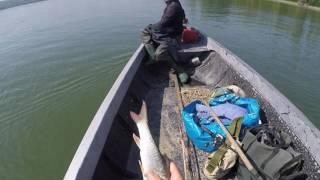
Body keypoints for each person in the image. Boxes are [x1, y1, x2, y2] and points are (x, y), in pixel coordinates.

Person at [141, 0, 189, 83]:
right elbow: (183, 17)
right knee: (146, 32)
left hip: (172, 37)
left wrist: (151, 27)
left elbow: (162, 23)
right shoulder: (174, 4)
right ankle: (153, 57)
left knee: (158, 53)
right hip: (169, 32)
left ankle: (180, 70)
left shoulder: (173, 6)